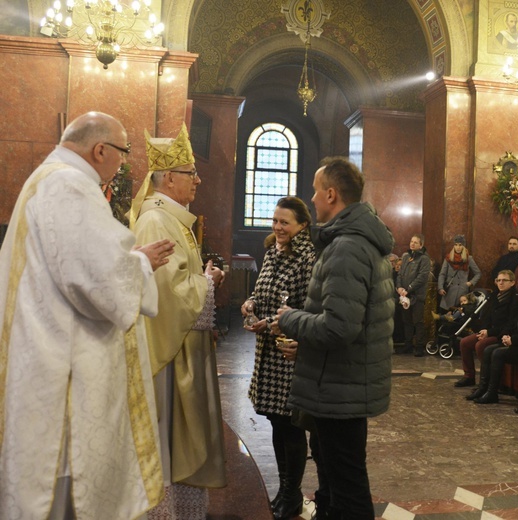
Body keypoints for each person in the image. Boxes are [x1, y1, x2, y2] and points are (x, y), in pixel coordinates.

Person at [0, 111, 175, 519]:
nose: (124, 163)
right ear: (101, 150)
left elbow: (77, 266)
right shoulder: (70, 185)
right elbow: (100, 284)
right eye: (124, 152)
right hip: (62, 370)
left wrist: (127, 261)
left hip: (45, 356)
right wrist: (141, 264)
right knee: (64, 491)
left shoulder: (46, 180)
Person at [275, 157, 394, 520]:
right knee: (336, 480)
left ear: (331, 194)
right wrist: (307, 342)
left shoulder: (347, 247)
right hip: (341, 381)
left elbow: (341, 327)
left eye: (314, 191)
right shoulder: (352, 241)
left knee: (348, 489)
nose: (311, 199)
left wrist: (290, 319)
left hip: (342, 388)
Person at [132, 124, 227, 518]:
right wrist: (208, 282)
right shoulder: (156, 220)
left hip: (183, 348)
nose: (198, 180)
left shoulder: (173, 219)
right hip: (167, 354)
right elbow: (166, 294)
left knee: (179, 437)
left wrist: (202, 280)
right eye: (191, 173)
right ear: (169, 178)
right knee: (166, 435)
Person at [241, 197, 315, 519]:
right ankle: (285, 491)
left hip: (289, 351)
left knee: (290, 424)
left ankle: (292, 494)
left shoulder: (307, 258)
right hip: (269, 353)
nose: (278, 227)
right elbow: (265, 291)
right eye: (275, 221)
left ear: (302, 224)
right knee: (275, 420)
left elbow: (308, 308)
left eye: (285, 222)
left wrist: (271, 323)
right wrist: (251, 302)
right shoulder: (272, 251)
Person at [454, 270, 518, 387]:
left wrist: (489, 332)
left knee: (480, 345)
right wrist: (483, 330)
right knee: (465, 343)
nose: (501, 283)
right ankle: (469, 376)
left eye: (504, 280)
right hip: (489, 331)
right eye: (498, 280)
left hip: (503, 334)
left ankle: (487, 380)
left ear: (512, 283)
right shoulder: (494, 296)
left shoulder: (516, 300)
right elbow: (486, 316)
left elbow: (510, 323)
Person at [397, 234, 431, 356]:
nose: (412, 244)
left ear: (421, 245)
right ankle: (408, 345)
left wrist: (409, 288)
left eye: (416, 242)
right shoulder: (406, 257)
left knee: (418, 321)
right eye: (411, 241)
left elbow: (422, 277)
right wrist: (399, 287)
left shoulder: (424, 259)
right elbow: (400, 274)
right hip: (405, 295)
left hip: (417, 295)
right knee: (407, 321)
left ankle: (419, 347)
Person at [437, 234, 481, 311]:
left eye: (460, 245)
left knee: (459, 314)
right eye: (456, 245)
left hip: (462, 292)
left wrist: (470, 283)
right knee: (446, 314)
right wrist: (440, 287)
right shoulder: (448, 258)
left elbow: (478, 273)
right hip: (449, 291)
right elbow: (442, 274)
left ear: (463, 246)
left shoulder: (468, 259)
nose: (458, 247)